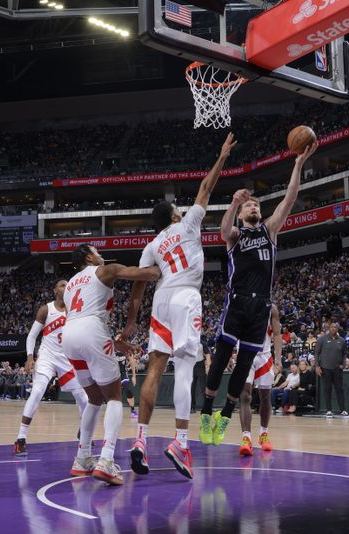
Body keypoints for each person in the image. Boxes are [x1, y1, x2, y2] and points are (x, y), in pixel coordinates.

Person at [124, 132, 237, 479]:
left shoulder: (151, 246)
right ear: (174, 216)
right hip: (186, 295)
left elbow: (137, 291)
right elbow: (206, 185)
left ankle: (140, 440)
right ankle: (181, 442)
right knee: (186, 369)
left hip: (160, 301)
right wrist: (221, 157)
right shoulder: (187, 223)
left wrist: (130, 325)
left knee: (156, 368)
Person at [200, 141, 318, 447]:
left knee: (243, 366)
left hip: (261, 306)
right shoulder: (236, 235)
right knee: (224, 356)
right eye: (249, 205)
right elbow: (223, 231)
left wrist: (297, 164)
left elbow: (289, 200)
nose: (255, 206)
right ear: (241, 214)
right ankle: (205, 411)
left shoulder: (269, 230)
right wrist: (232, 203)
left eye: (257, 205)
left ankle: (224, 415)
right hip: (236, 302)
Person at [62, 244, 160, 486]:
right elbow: (148, 274)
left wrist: (114, 345)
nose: (101, 255)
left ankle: (82, 458)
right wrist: (161, 263)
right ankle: (106, 460)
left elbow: (84, 321)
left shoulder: (70, 284)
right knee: (115, 397)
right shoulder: (104, 270)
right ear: (88, 256)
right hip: (91, 330)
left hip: (70, 336)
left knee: (94, 399)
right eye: (97, 251)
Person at [14, 280, 90, 457]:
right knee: (38, 391)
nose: (66, 287)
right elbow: (32, 335)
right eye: (62, 285)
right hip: (47, 356)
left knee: (84, 398)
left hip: (67, 358)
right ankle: (21, 438)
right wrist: (30, 357)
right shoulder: (46, 309)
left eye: (68, 285)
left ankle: (84, 433)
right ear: (55, 290)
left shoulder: (75, 310)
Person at [238, 304, 281, 456]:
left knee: (265, 396)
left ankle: (263, 434)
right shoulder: (241, 302)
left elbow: (276, 334)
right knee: (245, 395)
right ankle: (246, 438)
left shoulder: (271, 308)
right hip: (245, 353)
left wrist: (278, 359)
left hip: (265, 356)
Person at [315, 322, 349, 417]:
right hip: (325, 368)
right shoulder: (322, 339)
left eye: (335, 327)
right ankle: (329, 410)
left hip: (337, 369)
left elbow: (344, 354)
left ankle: (343, 410)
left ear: (338, 329)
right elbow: (317, 353)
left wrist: (343, 363)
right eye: (332, 327)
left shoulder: (341, 340)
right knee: (327, 389)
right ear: (329, 328)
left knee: (340, 389)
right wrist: (317, 366)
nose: (334, 328)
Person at [190, 340, 212, 413]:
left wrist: (208, 366)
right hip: (191, 365)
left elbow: (207, 354)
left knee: (203, 387)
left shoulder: (202, 343)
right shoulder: (188, 341)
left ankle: (207, 407)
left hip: (200, 365)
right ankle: (192, 407)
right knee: (192, 388)